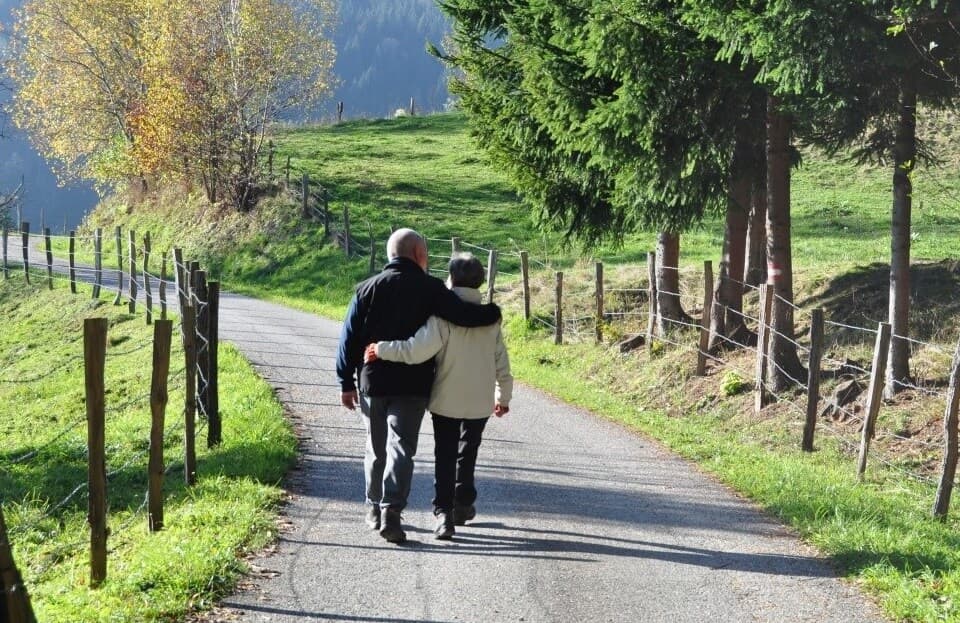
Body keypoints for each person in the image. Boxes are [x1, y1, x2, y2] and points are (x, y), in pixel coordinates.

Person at [336, 229, 500, 544]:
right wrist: (493, 313)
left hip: (372, 381)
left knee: (375, 446)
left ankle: (373, 508)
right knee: (402, 448)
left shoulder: (365, 289)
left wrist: (345, 381)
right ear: (419, 255)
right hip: (413, 385)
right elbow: (463, 316)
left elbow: (348, 339)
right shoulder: (432, 289)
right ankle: (392, 512)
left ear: (390, 255)